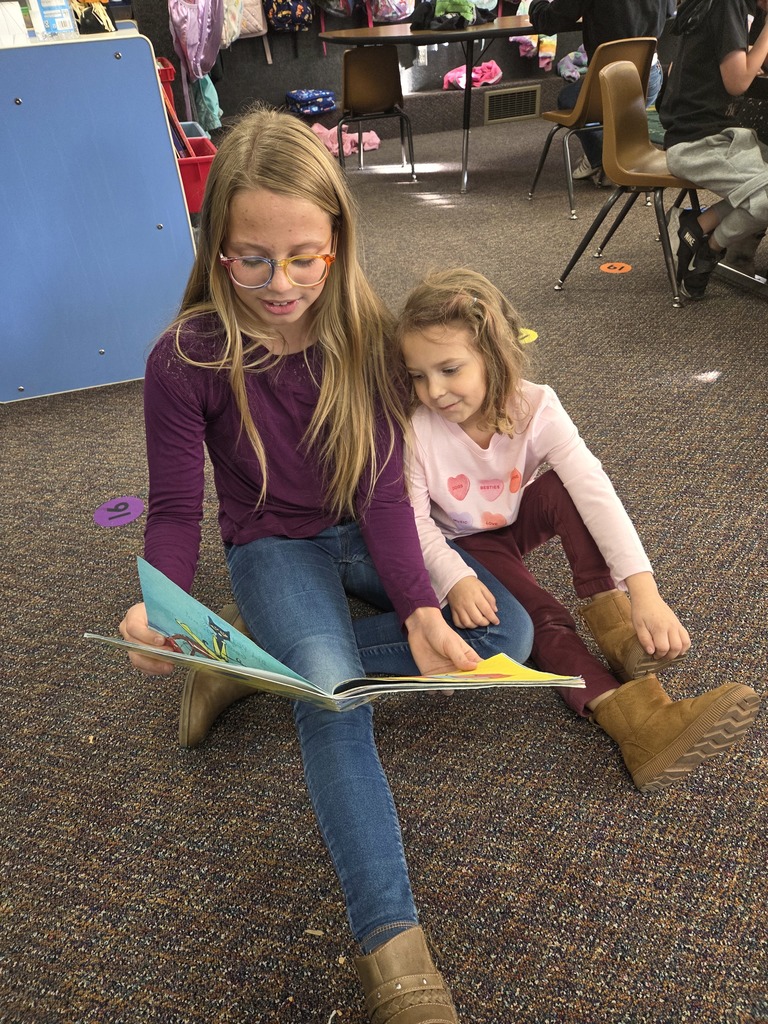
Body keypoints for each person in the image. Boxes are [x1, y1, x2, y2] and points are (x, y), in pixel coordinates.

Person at [118, 107, 534, 1023]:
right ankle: (395, 954)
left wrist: (423, 608)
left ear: (339, 240)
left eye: (305, 256)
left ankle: (257, 672)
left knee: (506, 630)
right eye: (251, 258)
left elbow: (388, 493)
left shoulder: (369, 338)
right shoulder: (184, 358)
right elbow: (180, 507)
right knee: (335, 698)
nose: (280, 283)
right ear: (216, 246)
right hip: (273, 544)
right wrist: (167, 605)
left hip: (363, 528)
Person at [394, 267, 761, 794]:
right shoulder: (414, 428)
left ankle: (615, 626)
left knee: (570, 491)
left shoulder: (537, 404)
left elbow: (595, 491)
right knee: (539, 616)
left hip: (511, 522)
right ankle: (633, 723)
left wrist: (645, 593)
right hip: (458, 543)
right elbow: (411, 524)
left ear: (494, 355)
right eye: (418, 375)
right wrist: (453, 577)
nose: (434, 390)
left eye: (449, 369)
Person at [659, 0, 768, 300]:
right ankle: (712, 246)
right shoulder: (726, 3)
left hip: (721, 134)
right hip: (697, 142)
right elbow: (737, 82)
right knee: (765, 200)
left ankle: (699, 227)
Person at [527, 0, 671, 183]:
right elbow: (669, 11)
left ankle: (602, 160)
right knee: (613, 111)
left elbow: (548, 21)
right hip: (648, 81)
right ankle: (614, 156)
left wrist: (535, 4)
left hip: (608, 86)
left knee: (567, 98)